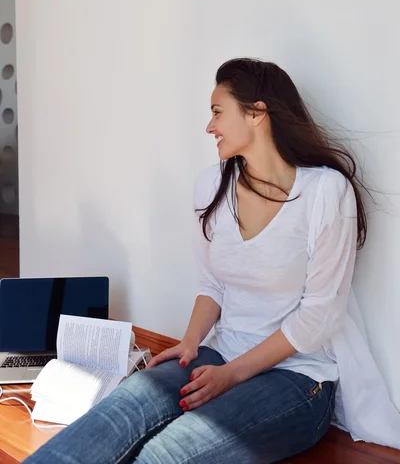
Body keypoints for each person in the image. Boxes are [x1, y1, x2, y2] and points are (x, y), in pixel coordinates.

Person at [25, 59, 400, 464]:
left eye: (217, 111)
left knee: (165, 455)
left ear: (257, 113)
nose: (209, 126)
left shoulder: (326, 191)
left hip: (298, 379)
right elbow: (213, 285)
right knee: (119, 412)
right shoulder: (211, 186)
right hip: (219, 355)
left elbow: (319, 316)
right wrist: (189, 343)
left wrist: (232, 374)